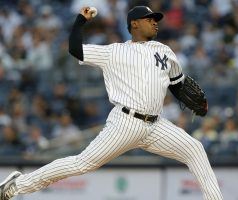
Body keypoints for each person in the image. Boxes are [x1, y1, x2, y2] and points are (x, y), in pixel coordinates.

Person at [0, 6, 223, 200]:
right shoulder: (114, 52)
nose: (155, 23)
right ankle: (17, 185)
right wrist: (81, 20)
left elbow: (176, 83)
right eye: (149, 19)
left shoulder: (164, 51)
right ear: (134, 24)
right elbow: (75, 49)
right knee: (82, 164)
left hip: (156, 126)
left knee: (195, 149)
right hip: (125, 122)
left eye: (156, 19)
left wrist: (190, 97)